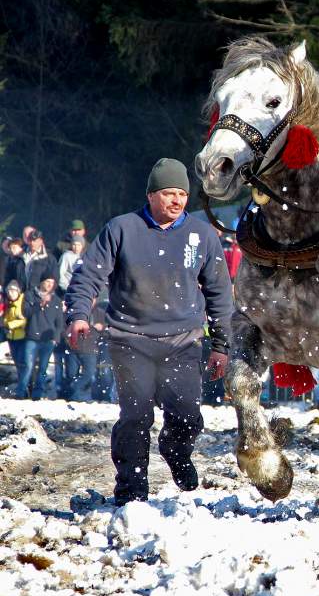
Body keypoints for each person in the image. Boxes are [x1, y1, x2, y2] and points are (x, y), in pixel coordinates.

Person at [65, 158, 233, 505]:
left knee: (188, 415)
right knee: (136, 416)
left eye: (183, 194)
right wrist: (79, 315)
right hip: (130, 339)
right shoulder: (122, 228)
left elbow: (219, 292)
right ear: (152, 195)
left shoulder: (202, 235)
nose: (176, 200)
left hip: (183, 341)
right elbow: (88, 275)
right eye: (169, 193)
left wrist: (221, 345)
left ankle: (175, 448)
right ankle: (131, 489)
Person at [18, 276, 64, 400]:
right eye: (47, 282)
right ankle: (21, 392)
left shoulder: (56, 300)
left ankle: (38, 394)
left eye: (52, 283)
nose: (50, 285)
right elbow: (25, 313)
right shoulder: (30, 295)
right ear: (42, 282)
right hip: (32, 337)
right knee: (28, 366)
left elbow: (59, 322)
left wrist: (56, 338)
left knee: (43, 368)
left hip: (48, 339)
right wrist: (40, 304)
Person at [3, 280, 27, 394]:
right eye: (9, 291)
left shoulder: (22, 303)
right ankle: (22, 386)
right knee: (17, 363)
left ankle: (24, 387)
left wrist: (11, 324)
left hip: (21, 337)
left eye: (13, 291)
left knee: (23, 363)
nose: (11, 293)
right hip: (11, 337)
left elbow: (25, 320)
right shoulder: (8, 303)